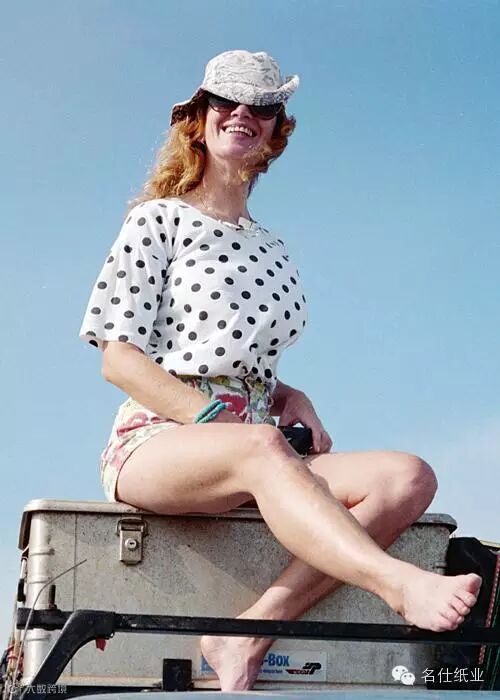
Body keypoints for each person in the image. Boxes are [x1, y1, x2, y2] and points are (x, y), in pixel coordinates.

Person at [79, 49, 481, 691]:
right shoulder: (158, 219)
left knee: (407, 477)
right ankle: (398, 585)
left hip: (255, 437)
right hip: (159, 439)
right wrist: (209, 418)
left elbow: (239, 359)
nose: (242, 113)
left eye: (261, 106)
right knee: (262, 445)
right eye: (226, 101)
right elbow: (118, 358)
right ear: (199, 119)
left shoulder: (271, 246)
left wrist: (294, 395)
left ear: (275, 131)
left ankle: (249, 630)